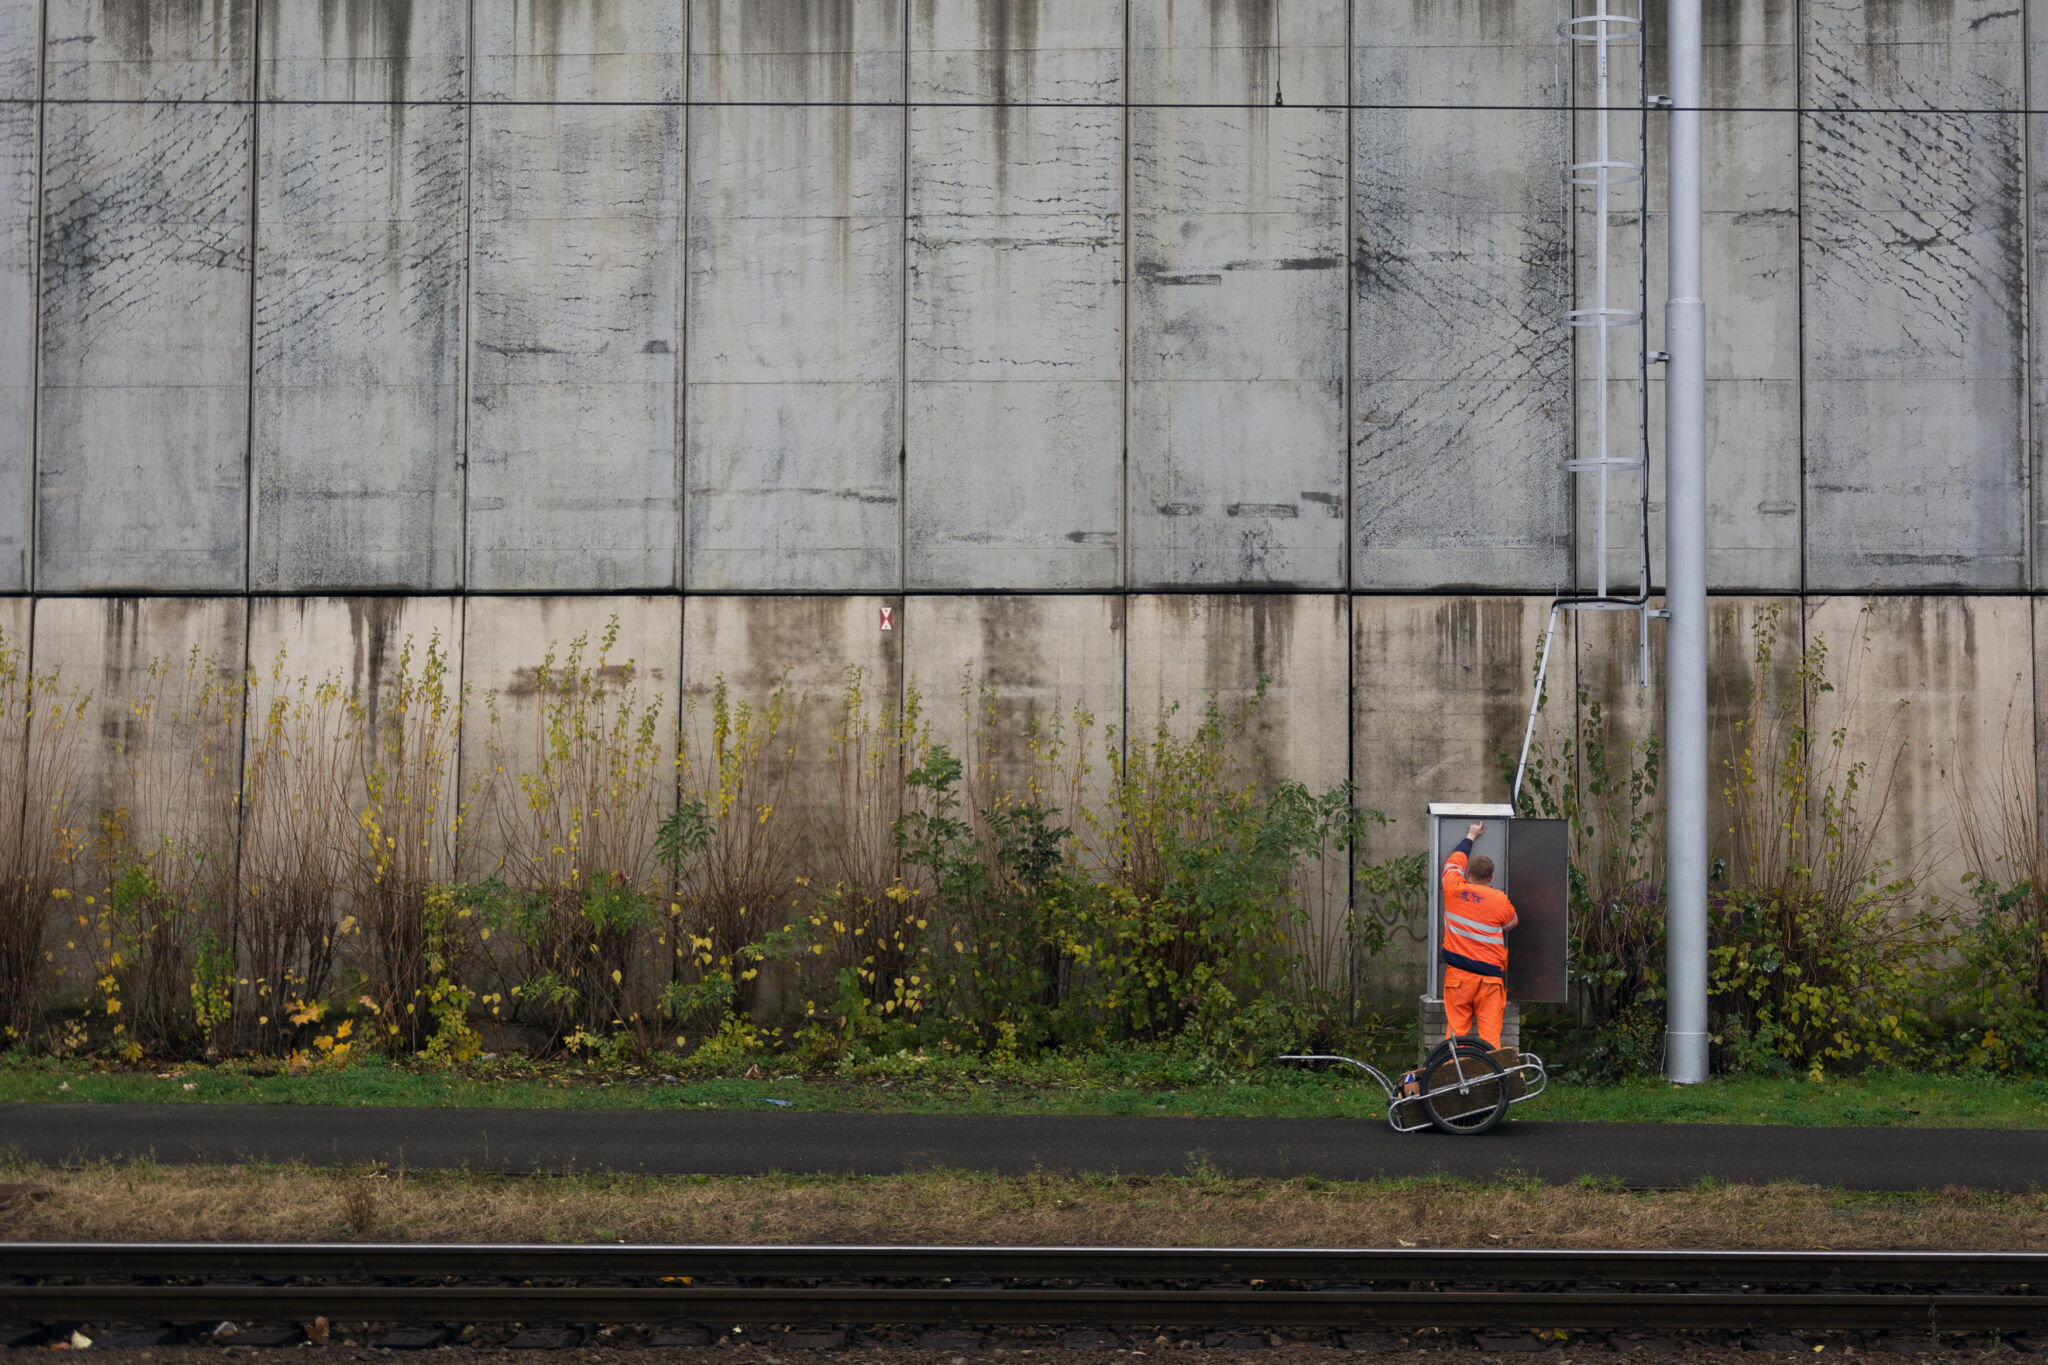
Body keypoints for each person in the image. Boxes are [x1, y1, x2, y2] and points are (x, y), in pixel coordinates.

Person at [1439, 820, 1518, 1050]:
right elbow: (1512, 922)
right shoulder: (1499, 900)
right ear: (1491, 878)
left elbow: (1453, 862)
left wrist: (1471, 836)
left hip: (1459, 978)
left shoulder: (1454, 888)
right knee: (1490, 1037)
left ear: (1468, 873)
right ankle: (1490, 1080)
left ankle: (1455, 1077)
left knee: (1456, 1034)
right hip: (1489, 980)